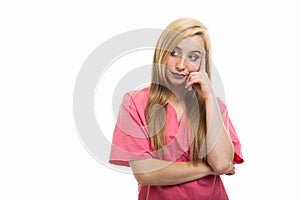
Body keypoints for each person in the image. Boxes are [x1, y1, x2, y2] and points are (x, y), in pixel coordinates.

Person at [109, 17, 244, 200]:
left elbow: (221, 163)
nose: (181, 65)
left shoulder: (214, 106)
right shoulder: (136, 102)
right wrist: (206, 167)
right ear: (161, 53)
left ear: (201, 64)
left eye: (193, 57)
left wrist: (209, 97)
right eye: (174, 53)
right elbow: (145, 172)